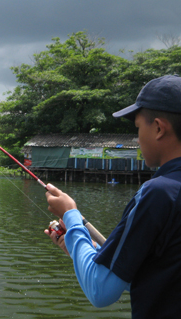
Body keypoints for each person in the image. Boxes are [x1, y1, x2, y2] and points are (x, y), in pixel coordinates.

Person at [44, 74, 181, 319]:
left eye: (138, 128)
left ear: (159, 128)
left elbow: (101, 290)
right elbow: (155, 276)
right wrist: (82, 248)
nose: (137, 139)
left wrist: (70, 215)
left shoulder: (158, 193)